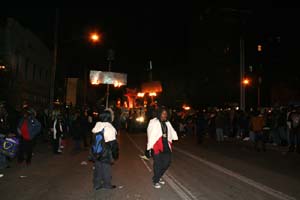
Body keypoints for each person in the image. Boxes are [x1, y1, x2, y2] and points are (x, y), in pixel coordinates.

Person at [146, 107, 178, 189]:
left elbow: (172, 131)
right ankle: (156, 180)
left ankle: (157, 176)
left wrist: (174, 136)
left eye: (166, 114)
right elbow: (151, 134)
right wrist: (149, 147)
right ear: (159, 114)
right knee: (158, 164)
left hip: (166, 145)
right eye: (163, 113)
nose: (165, 115)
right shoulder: (154, 122)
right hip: (157, 146)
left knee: (167, 162)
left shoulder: (167, 123)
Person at [91, 110, 119, 190]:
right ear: (109, 117)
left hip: (96, 150)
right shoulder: (109, 127)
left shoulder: (97, 125)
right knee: (106, 168)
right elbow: (112, 143)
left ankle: (96, 184)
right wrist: (115, 154)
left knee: (97, 168)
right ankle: (107, 185)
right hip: (105, 151)